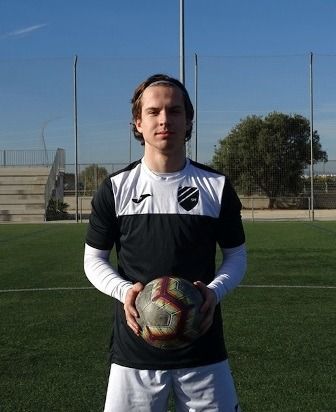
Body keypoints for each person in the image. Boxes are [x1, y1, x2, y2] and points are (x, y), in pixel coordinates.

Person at [84, 73, 247, 412]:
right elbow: (93, 260)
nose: (164, 119)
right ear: (138, 123)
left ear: (189, 120)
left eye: (174, 111)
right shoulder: (116, 189)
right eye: (154, 111)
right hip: (134, 352)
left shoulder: (215, 187)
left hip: (203, 350)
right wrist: (124, 291)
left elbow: (236, 257)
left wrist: (213, 293)